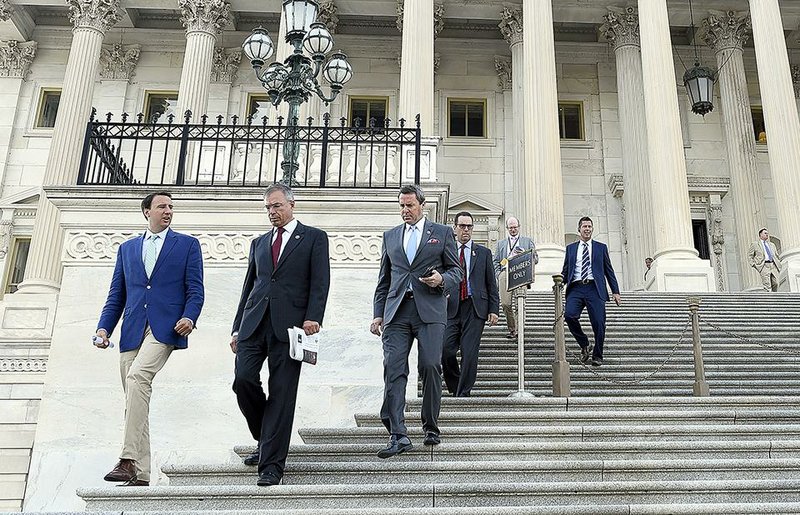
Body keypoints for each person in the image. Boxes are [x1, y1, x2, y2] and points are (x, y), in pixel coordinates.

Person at [95, 191, 204, 487]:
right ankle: (141, 474)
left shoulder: (187, 245)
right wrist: (104, 328)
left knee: (138, 378)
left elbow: (196, 289)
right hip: (132, 328)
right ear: (147, 212)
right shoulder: (128, 249)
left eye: (171, 207)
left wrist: (189, 317)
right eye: (161, 207)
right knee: (134, 397)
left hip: (166, 327)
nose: (168, 211)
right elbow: (117, 294)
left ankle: (128, 459)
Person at [230, 183, 330, 486]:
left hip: (291, 327)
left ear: (291, 204)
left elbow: (320, 281)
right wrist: (237, 327)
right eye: (268, 208)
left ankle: (271, 465)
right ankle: (265, 437)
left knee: (282, 393)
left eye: (277, 206)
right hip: (253, 323)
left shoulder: (313, 237)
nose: (272, 212)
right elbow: (250, 286)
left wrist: (314, 317)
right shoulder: (259, 243)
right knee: (242, 381)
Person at [370, 185, 462, 458]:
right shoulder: (390, 236)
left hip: (430, 310)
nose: (405, 210)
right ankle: (397, 434)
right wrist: (378, 313)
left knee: (431, 365)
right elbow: (384, 280)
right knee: (394, 369)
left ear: (422, 205)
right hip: (396, 312)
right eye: (401, 206)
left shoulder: (442, 233)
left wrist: (441, 279)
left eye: (409, 205)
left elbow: (456, 270)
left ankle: (430, 425)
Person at [442, 211, 499, 397]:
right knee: (445, 350)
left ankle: (463, 393)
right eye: (462, 226)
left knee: (469, 352)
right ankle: (455, 385)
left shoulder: (483, 253)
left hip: (475, 308)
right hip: (451, 307)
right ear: (455, 228)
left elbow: (491, 283)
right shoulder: (446, 251)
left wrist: (494, 309)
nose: (466, 230)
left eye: (469, 226)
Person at [561, 216, 620, 367]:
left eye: (589, 226)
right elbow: (566, 270)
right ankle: (584, 343)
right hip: (576, 288)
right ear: (579, 229)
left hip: (595, 288)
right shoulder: (571, 249)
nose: (587, 229)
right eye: (584, 226)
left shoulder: (601, 248)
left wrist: (615, 291)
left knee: (599, 323)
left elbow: (609, 270)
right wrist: (559, 283)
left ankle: (597, 355)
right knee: (569, 315)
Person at [493, 217, 538, 339]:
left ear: (519, 227)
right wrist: (498, 274)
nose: (513, 229)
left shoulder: (527, 241)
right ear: (507, 228)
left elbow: (536, 259)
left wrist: (526, 254)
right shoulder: (501, 243)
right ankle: (512, 328)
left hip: (521, 274)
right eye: (511, 227)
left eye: (515, 227)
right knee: (505, 304)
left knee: (520, 303)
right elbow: (496, 261)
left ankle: (519, 330)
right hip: (505, 273)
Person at [748, 228, 781, 292]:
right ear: (760, 234)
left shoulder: (772, 245)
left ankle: (774, 298)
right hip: (764, 265)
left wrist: (778, 262)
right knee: (767, 285)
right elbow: (750, 255)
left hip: (773, 265)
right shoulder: (755, 244)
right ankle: (769, 300)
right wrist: (753, 264)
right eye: (765, 233)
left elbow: (776, 255)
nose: (767, 235)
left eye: (767, 233)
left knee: (776, 283)